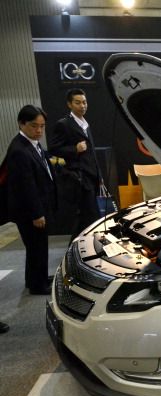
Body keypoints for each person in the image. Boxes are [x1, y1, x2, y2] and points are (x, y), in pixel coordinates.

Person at [2, 105, 56, 295]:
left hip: (38, 206)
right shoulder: (19, 149)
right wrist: (37, 213)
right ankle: (38, 285)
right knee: (37, 247)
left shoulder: (31, 143)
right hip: (31, 211)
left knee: (37, 246)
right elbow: (25, 186)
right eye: (34, 126)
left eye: (42, 126)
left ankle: (34, 278)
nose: (39, 130)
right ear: (21, 124)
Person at [49, 88, 102, 240]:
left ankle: (76, 248)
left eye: (84, 102)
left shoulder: (85, 123)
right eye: (78, 103)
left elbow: (91, 153)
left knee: (86, 217)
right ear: (69, 104)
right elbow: (54, 148)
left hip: (91, 176)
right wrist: (75, 149)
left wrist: (99, 174)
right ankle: (83, 249)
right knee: (91, 216)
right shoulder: (64, 124)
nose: (82, 106)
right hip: (79, 178)